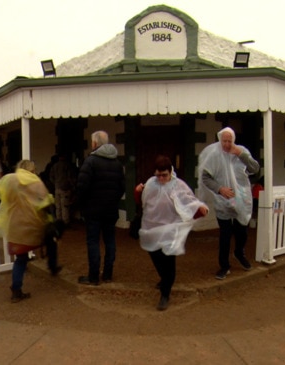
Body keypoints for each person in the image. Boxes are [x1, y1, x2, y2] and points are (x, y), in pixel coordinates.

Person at [135, 155, 208, 310]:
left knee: (168, 261)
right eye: (158, 175)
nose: (161, 178)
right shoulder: (150, 183)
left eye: (164, 175)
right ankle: (164, 279)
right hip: (151, 227)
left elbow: (189, 200)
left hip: (171, 228)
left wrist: (199, 208)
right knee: (155, 255)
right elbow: (141, 201)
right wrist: (137, 192)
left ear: (170, 172)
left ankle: (165, 294)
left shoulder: (178, 185)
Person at [0, 160, 61, 303]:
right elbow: (45, 203)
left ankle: (16, 290)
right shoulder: (35, 182)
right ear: (31, 169)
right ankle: (52, 266)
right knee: (51, 241)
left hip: (15, 226)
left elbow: (1, 197)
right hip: (33, 225)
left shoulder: (9, 180)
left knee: (20, 259)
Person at [198, 127, 260, 280]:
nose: (226, 144)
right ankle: (224, 266)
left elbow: (255, 168)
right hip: (223, 199)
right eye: (224, 141)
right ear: (220, 139)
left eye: (229, 141)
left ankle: (239, 252)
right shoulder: (214, 155)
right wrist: (220, 189)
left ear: (233, 140)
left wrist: (240, 153)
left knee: (241, 230)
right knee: (225, 234)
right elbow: (205, 177)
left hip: (241, 198)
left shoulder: (241, 151)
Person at [75, 131, 125, 285]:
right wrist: (112, 200)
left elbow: (82, 187)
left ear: (95, 143)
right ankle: (108, 274)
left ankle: (94, 276)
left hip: (93, 210)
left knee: (93, 242)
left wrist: (81, 204)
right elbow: (122, 187)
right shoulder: (117, 163)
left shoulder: (90, 161)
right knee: (110, 241)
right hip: (110, 209)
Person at [49, 153, 77, 225]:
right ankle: (65, 222)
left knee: (58, 206)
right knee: (65, 206)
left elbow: (51, 177)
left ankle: (59, 221)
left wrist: (55, 183)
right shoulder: (67, 166)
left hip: (57, 188)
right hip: (65, 188)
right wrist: (72, 186)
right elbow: (70, 177)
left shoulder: (54, 166)